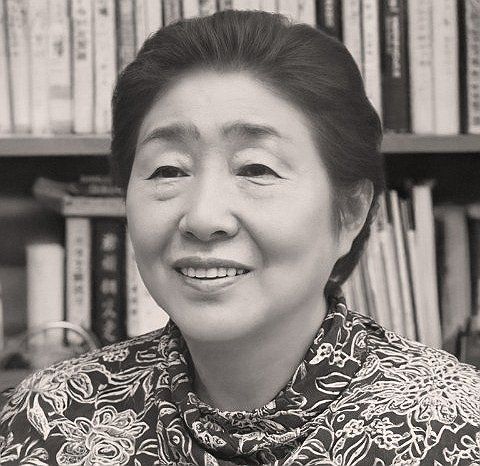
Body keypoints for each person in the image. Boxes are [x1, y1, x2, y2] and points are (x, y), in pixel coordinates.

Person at [1, 9, 479, 466]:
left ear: (350, 212)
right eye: (168, 170)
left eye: (256, 169)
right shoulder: (47, 420)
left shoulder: (458, 430)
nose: (203, 217)